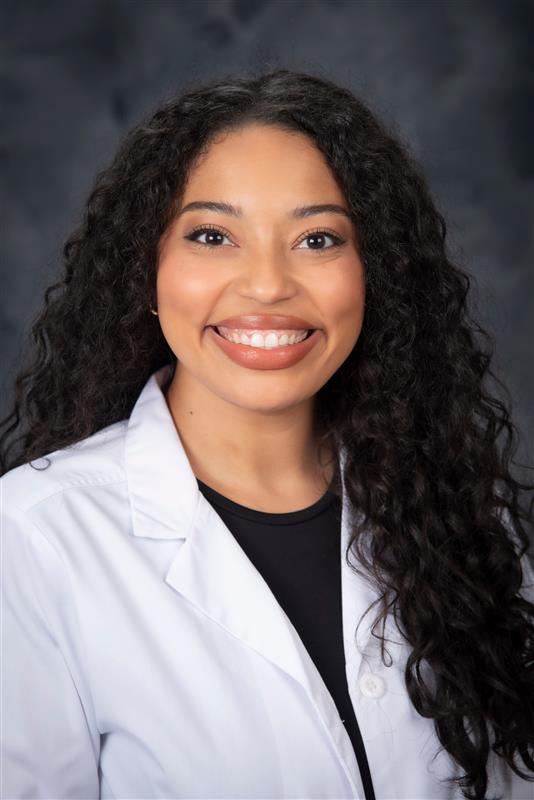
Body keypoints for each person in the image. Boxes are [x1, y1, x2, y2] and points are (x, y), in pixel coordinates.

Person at [1, 68, 533, 800]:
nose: (267, 284)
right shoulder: (33, 538)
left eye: (317, 238)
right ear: (146, 268)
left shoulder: (464, 518)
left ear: (374, 274)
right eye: (213, 235)